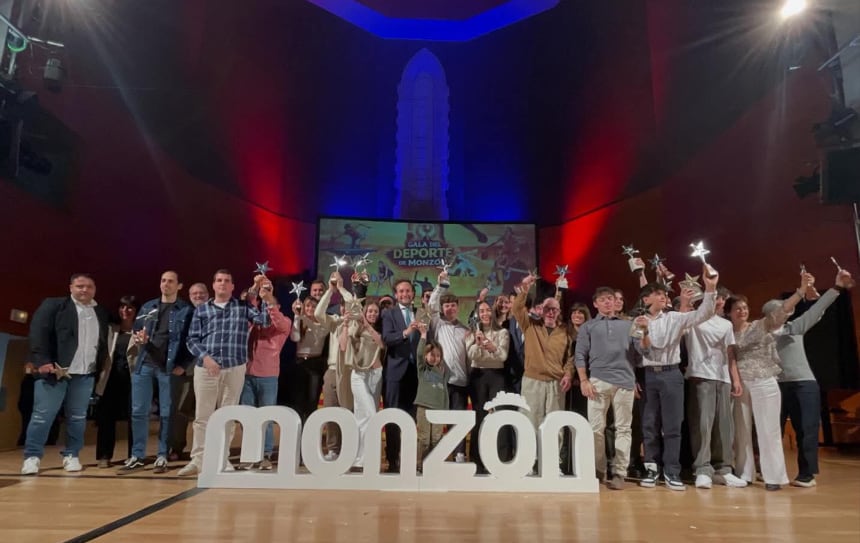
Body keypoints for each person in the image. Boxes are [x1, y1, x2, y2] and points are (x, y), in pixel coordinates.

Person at [177, 270, 272, 477]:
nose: (222, 284)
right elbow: (191, 339)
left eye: (226, 281)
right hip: (206, 368)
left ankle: (222, 458)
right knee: (203, 416)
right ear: (213, 285)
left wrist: (264, 299)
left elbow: (264, 322)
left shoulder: (242, 307)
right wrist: (206, 358)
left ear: (232, 286)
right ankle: (198, 460)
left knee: (228, 415)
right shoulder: (202, 310)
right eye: (219, 280)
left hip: (234, 367)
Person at [636, 265, 718, 491]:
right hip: (650, 375)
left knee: (673, 425)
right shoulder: (639, 321)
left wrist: (710, 288)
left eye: (665, 294)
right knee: (650, 424)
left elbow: (704, 314)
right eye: (659, 294)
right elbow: (642, 351)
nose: (664, 297)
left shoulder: (674, 318)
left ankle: (672, 471)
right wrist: (643, 331)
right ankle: (652, 469)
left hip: (672, 374)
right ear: (646, 299)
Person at [22, 273, 110, 475]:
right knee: (42, 416)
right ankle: (32, 457)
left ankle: (72, 455)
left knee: (78, 417)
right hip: (55, 371)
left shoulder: (100, 312)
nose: (84, 290)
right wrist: (42, 361)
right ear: (70, 287)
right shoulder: (54, 305)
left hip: (85, 374)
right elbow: (38, 332)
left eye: (89, 286)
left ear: (94, 289)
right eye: (80, 286)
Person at [727, 272, 808, 490]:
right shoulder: (727, 334)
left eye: (744, 307)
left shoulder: (759, 325)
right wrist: (736, 381)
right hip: (740, 384)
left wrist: (800, 291)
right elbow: (730, 359)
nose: (742, 311)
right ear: (730, 313)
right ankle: (745, 474)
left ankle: (774, 477)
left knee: (768, 429)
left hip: (764, 380)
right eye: (737, 309)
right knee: (742, 430)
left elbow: (781, 312)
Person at [774, 269, 853, 487]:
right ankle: (771, 471)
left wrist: (836, 287)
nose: (782, 313)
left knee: (807, 428)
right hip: (776, 386)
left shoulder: (794, 328)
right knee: (773, 431)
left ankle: (806, 474)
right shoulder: (762, 334)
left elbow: (817, 310)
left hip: (803, 384)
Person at [119, 271, 195, 474]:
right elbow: (136, 330)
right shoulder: (147, 307)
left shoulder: (186, 310)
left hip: (168, 367)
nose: (166, 284)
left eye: (171, 281)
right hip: (144, 363)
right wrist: (140, 337)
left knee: (167, 412)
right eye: (163, 280)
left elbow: (192, 339)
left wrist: (184, 364)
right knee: (138, 411)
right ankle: (137, 455)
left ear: (179, 286)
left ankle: (162, 454)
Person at [682, 286, 747, 489]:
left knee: (724, 427)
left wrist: (735, 379)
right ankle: (702, 469)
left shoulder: (726, 325)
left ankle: (724, 469)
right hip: (700, 376)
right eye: (716, 298)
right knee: (702, 424)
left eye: (721, 298)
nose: (719, 301)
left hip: (723, 378)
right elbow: (681, 317)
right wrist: (686, 300)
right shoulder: (694, 319)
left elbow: (729, 354)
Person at [575, 287, 639, 490]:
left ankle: (620, 472)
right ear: (595, 304)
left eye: (610, 299)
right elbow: (579, 355)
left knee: (623, 428)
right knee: (595, 429)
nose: (607, 302)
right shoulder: (588, 327)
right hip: (597, 381)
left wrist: (644, 332)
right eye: (602, 300)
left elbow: (641, 351)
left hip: (624, 382)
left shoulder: (629, 325)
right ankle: (598, 469)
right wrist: (584, 380)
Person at [511, 274, 573, 474]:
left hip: (556, 384)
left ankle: (553, 463)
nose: (550, 312)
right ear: (541, 310)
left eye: (554, 309)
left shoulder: (565, 331)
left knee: (555, 424)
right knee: (530, 421)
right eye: (547, 309)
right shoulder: (530, 325)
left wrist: (568, 374)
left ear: (559, 311)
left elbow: (570, 358)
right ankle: (528, 461)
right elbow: (516, 308)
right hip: (532, 381)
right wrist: (525, 287)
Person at [239, 277, 291, 470]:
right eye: (264, 306)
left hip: (268, 375)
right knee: (247, 416)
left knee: (266, 417)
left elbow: (278, 321)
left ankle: (266, 454)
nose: (267, 309)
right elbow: (247, 310)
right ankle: (249, 453)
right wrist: (255, 288)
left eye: (270, 306)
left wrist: (269, 300)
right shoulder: (253, 324)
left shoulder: (283, 323)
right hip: (246, 374)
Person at [427, 270, 471, 462]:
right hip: (440, 381)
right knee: (437, 420)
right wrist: (441, 285)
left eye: (453, 305)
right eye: (446, 306)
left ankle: (459, 453)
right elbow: (430, 306)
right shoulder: (437, 324)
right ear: (442, 308)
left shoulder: (466, 330)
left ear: (458, 308)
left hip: (460, 382)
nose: (450, 309)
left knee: (458, 420)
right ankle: (436, 455)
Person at [381, 279, 421, 473]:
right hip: (395, 373)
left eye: (408, 291)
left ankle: (408, 459)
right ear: (396, 295)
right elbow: (387, 338)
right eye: (401, 291)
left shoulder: (420, 314)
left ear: (413, 294)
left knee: (412, 418)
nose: (405, 294)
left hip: (416, 374)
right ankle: (392, 460)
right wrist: (406, 332)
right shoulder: (389, 314)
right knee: (393, 417)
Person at [94, 296, 139, 468]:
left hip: (133, 381)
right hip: (110, 379)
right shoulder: (111, 329)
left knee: (134, 418)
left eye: (130, 308)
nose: (125, 311)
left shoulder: (140, 331)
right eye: (122, 307)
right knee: (106, 418)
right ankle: (104, 455)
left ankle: (134, 455)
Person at [466, 300, 510, 472]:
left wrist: (492, 348)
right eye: (481, 311)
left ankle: (501, 458)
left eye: (488, 310)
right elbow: (472, 357)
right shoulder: (471, 334)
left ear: (492, 313)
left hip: (497, 376)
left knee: (498, 416)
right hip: (477, 376)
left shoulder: (502, 332)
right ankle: (477, 460)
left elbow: (502, 357)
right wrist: (479, 344)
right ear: (477, 314)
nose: (485, 313)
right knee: (479, 416)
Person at [169, 282, 208, 461]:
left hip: (211, 371)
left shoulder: (216, 312)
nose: (198, 296)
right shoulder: (184, 314)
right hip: (187, 372)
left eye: (201, 293)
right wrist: (182, 365)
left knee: (209, 411)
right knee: (180, 410)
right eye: (194, 294)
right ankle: (177, 448)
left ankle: (210, 449)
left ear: (208, 294)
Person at [347, 300, 386, 470]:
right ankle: (359, 457)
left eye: (375, 311)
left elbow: (382, 344)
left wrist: (368, 326)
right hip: (358, 375)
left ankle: (361, 460)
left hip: (376, 374)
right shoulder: (356, 326)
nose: (372, 314)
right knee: (368, 414)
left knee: (364, 418)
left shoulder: (380, 328)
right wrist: (350, 323)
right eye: (369, 311)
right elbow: (345, 342)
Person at [415, 335, 447, 472]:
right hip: (424, 408)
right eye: (432, 354)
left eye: (438, 355)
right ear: (426, 355)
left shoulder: (443, 372)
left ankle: (434, 466)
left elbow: (444, 393)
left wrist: (446, 410)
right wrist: (423, 336)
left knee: (436, 439)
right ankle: (420, 465)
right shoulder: (423, 369)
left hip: (438, 410)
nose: (435, 357)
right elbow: (419, 353)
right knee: (424, 439)